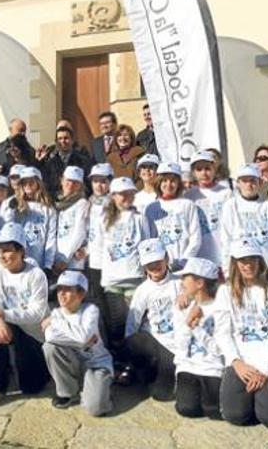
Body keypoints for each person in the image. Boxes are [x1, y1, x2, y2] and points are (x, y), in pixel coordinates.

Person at [215, 239, 268, 430]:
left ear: (260, 261)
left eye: (252, 259)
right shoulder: (225, 292)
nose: (248, 265)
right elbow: (222, 333)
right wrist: (237, 363)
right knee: (235, 415)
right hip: (242, 361)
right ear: (235, 263)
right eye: (243, 260)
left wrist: (265, 370)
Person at [0, 223, 51, 406]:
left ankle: (39, 370)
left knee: (31, 387)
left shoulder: (36, 275)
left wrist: (4, 315)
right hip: (10, 326)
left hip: (33, 334)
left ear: (21, 251)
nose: (2, 256)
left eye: (7, 250)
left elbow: (37, 313)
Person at [42, 271, 114, 416]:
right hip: (73, 361)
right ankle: (68, 392)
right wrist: (81, 340)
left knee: (96, 409)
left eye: (68, 289)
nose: (61, 294)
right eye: (59, 289)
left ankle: (99, 387)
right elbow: (50, 337)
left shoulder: (90, 311)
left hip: (95, 363)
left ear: (81, 294)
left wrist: (56, 323)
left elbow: (83, 337)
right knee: (50, 348)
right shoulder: (56, 313)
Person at [100, 177, 152, 367]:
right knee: (117, 323)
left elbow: (146, 243)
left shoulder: (140, 217)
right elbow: (98, 246)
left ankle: (134, 363)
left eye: (130, 194)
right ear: (113, 196)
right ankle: (119, 362)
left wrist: (147, 270)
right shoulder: (105, 218)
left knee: (133, 322)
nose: (126, 198)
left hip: (134, 277)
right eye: (122, 194)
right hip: (112, 279)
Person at [124, 239, 180, 401]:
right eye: (150, 264)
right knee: (133, 341)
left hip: (174, 345)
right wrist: (129, 345)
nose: (155, 267)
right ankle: (143, 372)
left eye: (158, 261)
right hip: (154, 339)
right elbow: (133, 321)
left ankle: (165, 374)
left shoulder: (180, 282)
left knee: (161, 395)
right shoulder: (143, 290)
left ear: (166, 259)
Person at [173, 258, 224, 419]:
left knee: (214, 411)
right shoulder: (181, 306)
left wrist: (197, 327)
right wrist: (188, 321)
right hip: (188, 366)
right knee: (186, 409)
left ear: (200, 283)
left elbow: (219, 350)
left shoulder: (221, 308)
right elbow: (180, 345)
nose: (181, 282)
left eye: (185, 278)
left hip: (213, 367)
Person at [219, 164, 268, 280]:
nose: (249, 185)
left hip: (266, 269)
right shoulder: (231, 205)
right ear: (238, 183)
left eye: (252, 180)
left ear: (260, 182)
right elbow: (226, 241)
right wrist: (227, 272)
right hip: (241, 270)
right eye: (244, 181)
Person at [145, 162, 202, 271]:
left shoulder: (187, 205)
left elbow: (195, 237)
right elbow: (150, 239)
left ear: (178, 183)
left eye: (172, 181)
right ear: (159, 182)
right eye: (165, 181)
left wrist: (184, 260)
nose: (169, 184)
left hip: (185, 266)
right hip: (161, 267)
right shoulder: (151, 208)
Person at [0, 167, 57, 275]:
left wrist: (48, 264)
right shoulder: (15, 204)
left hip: (38, 261)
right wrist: (11, 210)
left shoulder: (48, 209)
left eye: (31, 181)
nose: (28, 185)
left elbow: (51, 238)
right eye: (24, 182)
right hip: (16, 260)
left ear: (38, 183)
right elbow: (6, 229)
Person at [183, 151, 232, 267]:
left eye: (207, 168)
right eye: (199, 169)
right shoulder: (189, 196)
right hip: (198, 258)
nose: (204, 173)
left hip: (223, 257)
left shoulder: (226, 193)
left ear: (214, 169)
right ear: (193, 172)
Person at [36, 125, 95, 198]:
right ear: (56, 142)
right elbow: (46, 185)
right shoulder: (50, 163)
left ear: (72, 140)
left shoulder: (83, 161)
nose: (63, 141)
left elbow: (89, 185)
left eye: (66, 138)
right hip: (57, 201)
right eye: (60, 138)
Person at [85, 164, 112, 309]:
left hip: (108, 259)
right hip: (93, 259)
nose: (99, 186)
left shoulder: (113, 203)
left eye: (103, 181)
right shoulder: (89, 202)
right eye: (95, 181)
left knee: (112, 302)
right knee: (98, 300)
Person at [54, 166, 90, 275]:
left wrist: (65, 259)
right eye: (68, 180)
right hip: (55, 259)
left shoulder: (82, 204)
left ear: (80, 185)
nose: (71, 185)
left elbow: (79, 233)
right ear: (62, 180)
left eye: (75, 182)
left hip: (71, 261)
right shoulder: (56, 202)